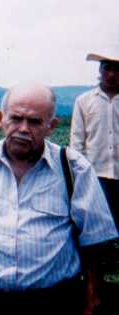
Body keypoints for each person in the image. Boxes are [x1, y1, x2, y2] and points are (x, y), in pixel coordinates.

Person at [0, 83, 118, 315]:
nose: (23, 129)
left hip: (57, 304)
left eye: (35, 122)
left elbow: (94, 240)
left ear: (51, 126)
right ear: (0, 119)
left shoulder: (73, 167)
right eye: (16, 118)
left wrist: (92, 295)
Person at [70, 50, 119, 229]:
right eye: (107, 68)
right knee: (98, 225)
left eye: (117, 69)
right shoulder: (84, 101)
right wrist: (78, 175)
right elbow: (77, 140)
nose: (112, 75)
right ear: (100, 70)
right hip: (95, 174)